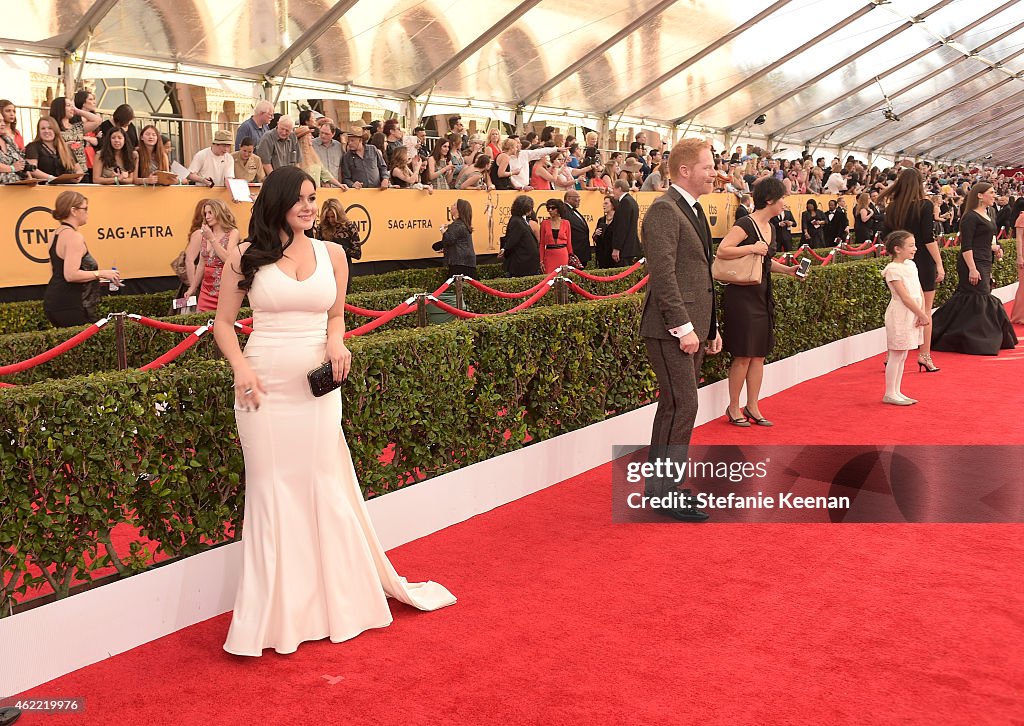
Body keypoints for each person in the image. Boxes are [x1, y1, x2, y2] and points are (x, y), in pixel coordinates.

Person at [212, 166, 455, 656]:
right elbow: (222, 324)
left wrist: (337, 342)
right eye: (299, 198)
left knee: (325, 484)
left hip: (318, 391)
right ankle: (277, 616)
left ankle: (336, 602)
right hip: (262, 388)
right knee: (271, 492)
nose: (308, 206)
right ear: (278, 201)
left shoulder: (335, 254)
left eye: (312, 197)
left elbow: (336, 315)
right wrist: (239, 367)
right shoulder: (245, 257)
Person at [639, 138, 722, 522]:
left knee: (675, 406)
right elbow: (664, 276)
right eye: (707, 166)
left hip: (692, 329)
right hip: (671, 331)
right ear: (685, 171)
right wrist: (684, 328)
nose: (714, 172)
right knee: (683, 405)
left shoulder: (691, 209)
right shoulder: (663, 210)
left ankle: (661, 490)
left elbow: (700, 273)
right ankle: (664, 493)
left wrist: (711, 327)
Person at [716, 177, 803, 427]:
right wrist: (752, 248)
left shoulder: (772, 228)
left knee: (759, 355)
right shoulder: (746, 223)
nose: (785, 203)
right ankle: (733, 407)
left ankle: (752, 405)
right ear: (769, 200)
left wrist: (787, 271)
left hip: (762, 294)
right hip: (741, 296)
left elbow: (764, 262)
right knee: (743, 355)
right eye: (783, 198)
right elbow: (723, 250)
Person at [931, 182, 1017, 355]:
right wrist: (972, 268)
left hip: (985, 261)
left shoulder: (987, 214)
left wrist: (997, 248)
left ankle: (955, 335)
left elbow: (988, 239)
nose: (995, 195)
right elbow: (967, 245)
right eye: (991, 192)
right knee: (978, 296)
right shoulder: (970, 217)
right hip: (972, 262)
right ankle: (973, 339)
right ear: (980, 195)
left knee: (972, 296)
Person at [879, 167, 944, 372]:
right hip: (922, 261)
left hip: (900, 262)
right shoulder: (924, 205)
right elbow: (927, 237)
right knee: (925, 311)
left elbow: (885, 237)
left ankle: (892, 355)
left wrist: (897, 253)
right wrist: (940, 263)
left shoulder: (892, 208)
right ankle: (924, 355)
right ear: (919, 184)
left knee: (899, 305)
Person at [43, 191, 121, 327]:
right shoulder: (74, 237)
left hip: (56, 301)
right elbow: (70, 275)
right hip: (70, 303)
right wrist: (102, 273)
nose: (87, 213)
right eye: (85, 209)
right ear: (73, 210)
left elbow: (59, 271)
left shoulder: (57, 233)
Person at [880, 231, 930, 405]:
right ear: (897, 249)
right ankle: (889, 392)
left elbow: (918, 291)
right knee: (896, 353)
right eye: (910, 246)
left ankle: (896, 390)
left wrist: (922, 312)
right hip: (900, 314)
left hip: (914, 313)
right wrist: (921, 314)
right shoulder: (892, 270)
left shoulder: (911, 265)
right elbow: (905, 296)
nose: (915, 249)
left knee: (903, 355)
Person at [184, 199, 240, 313]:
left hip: (225, 291)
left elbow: (228, 259)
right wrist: (193, 288)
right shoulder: (205, 234)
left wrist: (212, 239)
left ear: (219, 212)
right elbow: (201, 264)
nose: (207, 216)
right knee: (202, 325)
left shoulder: (233, 233)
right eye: (205, 213)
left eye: (210, 212)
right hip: (205, 291)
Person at [317, 198, 363, 286]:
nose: (330, 220)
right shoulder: (321, 228)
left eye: (333, 216)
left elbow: (357, 254)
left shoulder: (349, 227)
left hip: (343, 269)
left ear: (339, 214)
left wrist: (339, 248)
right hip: (326, 270)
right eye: (328, 217)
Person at [23, 116, 83, 182]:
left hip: (66, 185)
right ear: (38, 131)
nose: (46, 131)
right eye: (43, 128)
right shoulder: (33, 146)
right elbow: (32, 170)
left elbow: (79, 169)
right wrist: (51, 178)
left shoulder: (65, 147)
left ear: (55, 130)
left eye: (50, 128)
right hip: (45, 187)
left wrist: (78, 176)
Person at [432, 199, 477, 278]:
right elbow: (458, 242)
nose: (451, 206)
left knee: (456, 286)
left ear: (459, 209)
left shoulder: (457, 225)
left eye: (454, 205)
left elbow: (449, 240)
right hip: (466, 262)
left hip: (459, 263)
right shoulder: (462, 224)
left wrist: (442, 229)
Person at [500, 195, 541, 277]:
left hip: (527, 263)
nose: (531, 210)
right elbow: (512, 240)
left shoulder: (521, 219)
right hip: (521, 264)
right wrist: (505, 250)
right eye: (530, 208)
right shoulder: (516, 221)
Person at [610, 180, 641, 264]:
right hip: (630, 247)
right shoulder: (631, 200)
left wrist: (616, 248)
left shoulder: (625, 202)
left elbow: (622, 227)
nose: (613, 191)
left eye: (614, 189)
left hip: (625, 249)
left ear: (619, 189)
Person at [539, 199, 574, 273]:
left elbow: (569, 242)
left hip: (563, 254)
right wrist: (541, 260)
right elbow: (542, 244)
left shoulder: (566, 223)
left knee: (563, 278)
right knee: (549, 279)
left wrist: (571, 256)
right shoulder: (544, 223)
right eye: (548, 208)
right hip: (549, 256)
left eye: (553, 208)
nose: (550, 210)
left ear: (559, 209)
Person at [563, 190, 592, 268]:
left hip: (581, 251)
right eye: (576, 197)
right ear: (568, 199)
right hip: (575, 251)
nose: (579, 199)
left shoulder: (573, 211)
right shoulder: (564, 211)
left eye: (579, 197)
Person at [593, 195, 617, 268]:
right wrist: (595, 234)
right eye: (603, 203)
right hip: (602, 254)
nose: (603, 205)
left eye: (606, 203)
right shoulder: (601, 220)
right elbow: (595, 238)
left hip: (613, 254)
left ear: (613, 205)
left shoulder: (618, 220)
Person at [1012, 202, 1024, 324]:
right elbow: (1019, 238)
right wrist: (1020, 256)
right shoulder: (1022, 216)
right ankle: (1020, 316)